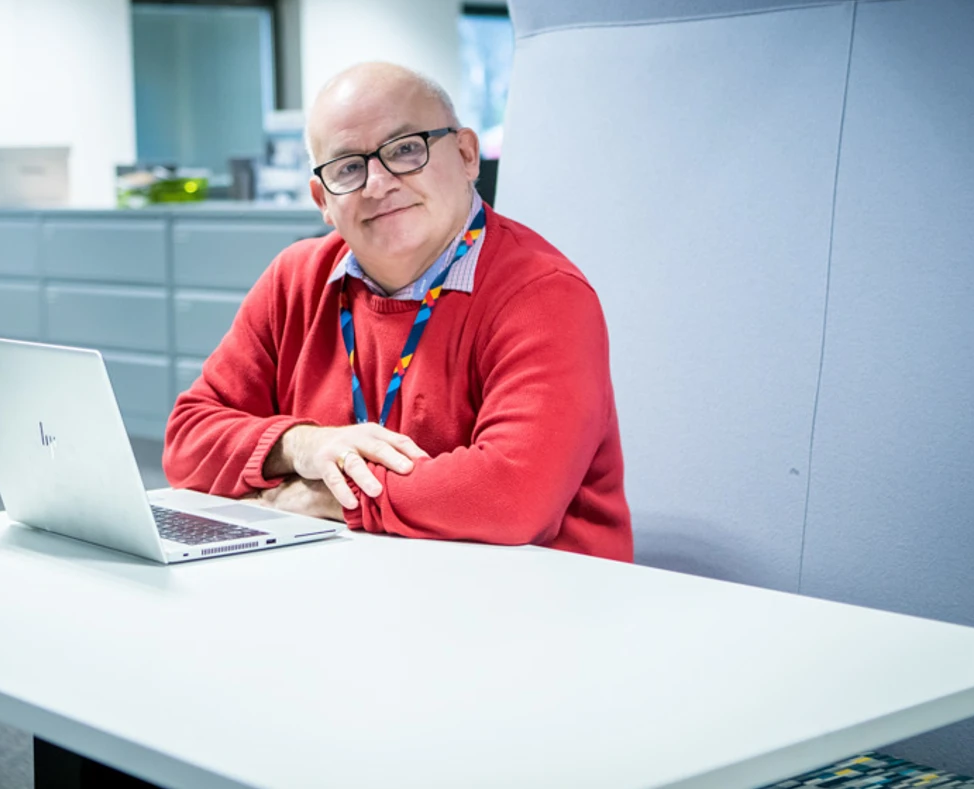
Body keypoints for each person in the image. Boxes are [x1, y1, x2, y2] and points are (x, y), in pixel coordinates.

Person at [163, 62, 631, 559]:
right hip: (359, 586)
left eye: (406, 149)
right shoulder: (295, 279)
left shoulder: (542, 293)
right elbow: (187, 440)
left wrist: (324, 494)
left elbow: (512, 494)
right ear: (322, 199)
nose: (378, 183)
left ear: (467, 155)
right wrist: (303, 446)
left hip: (539, 605)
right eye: (348, 167)